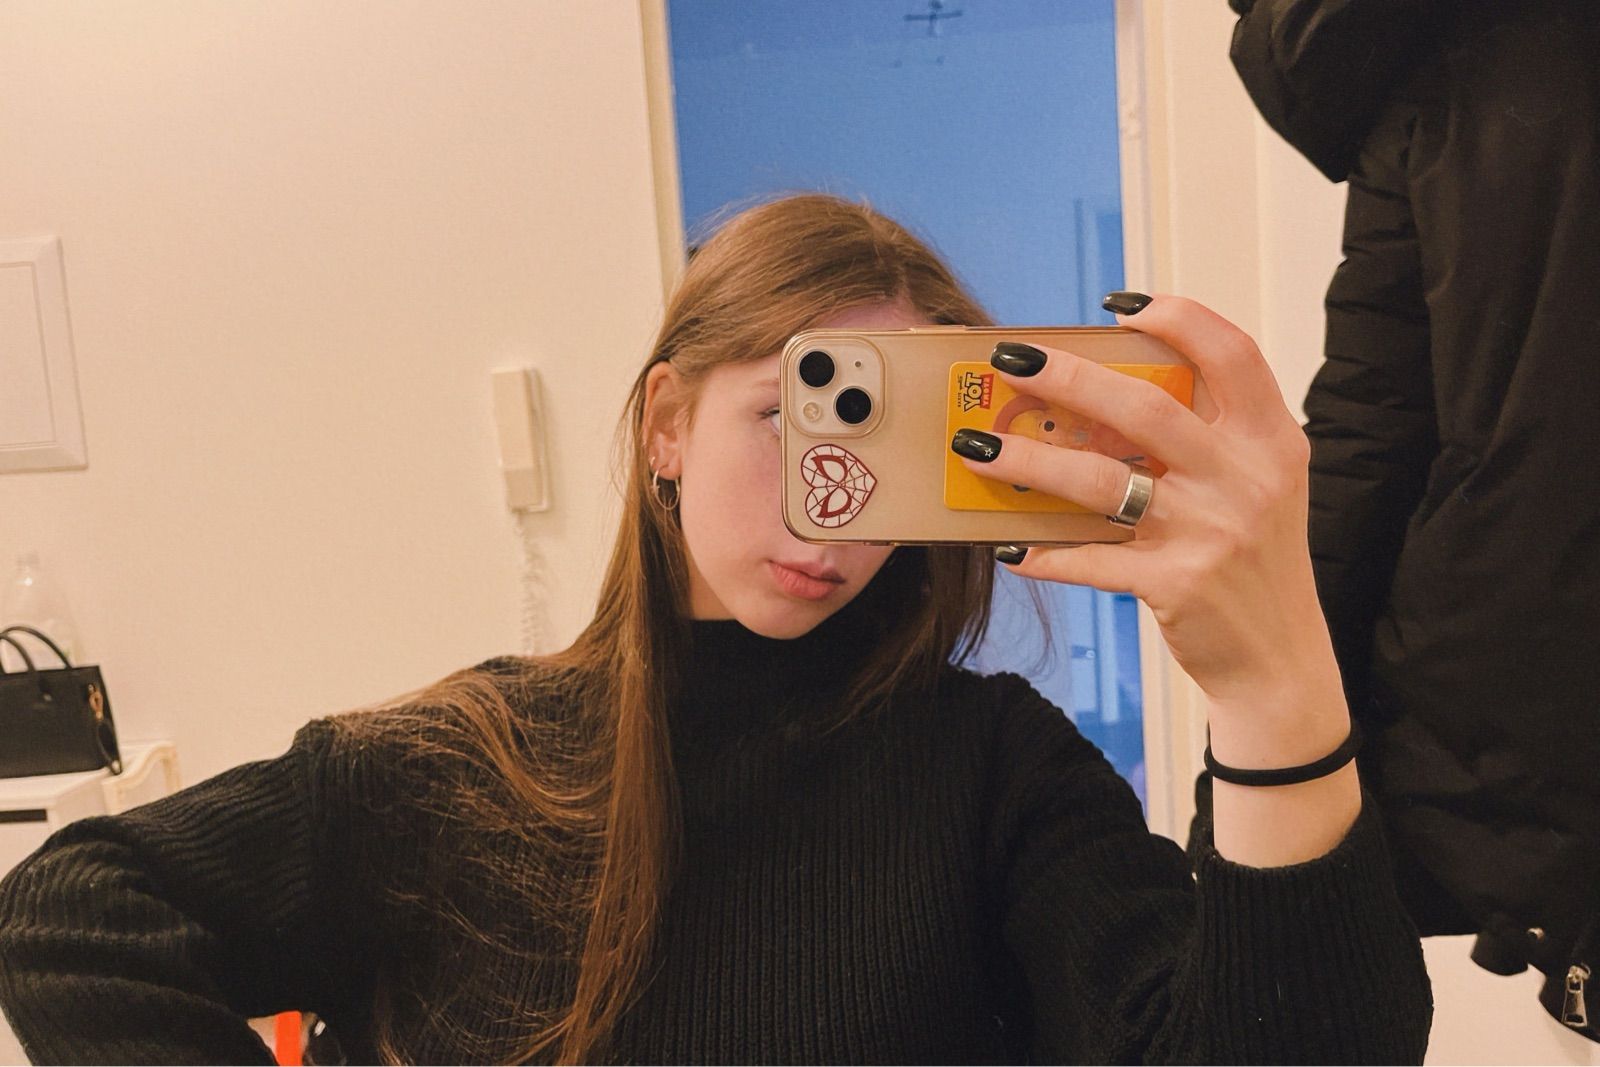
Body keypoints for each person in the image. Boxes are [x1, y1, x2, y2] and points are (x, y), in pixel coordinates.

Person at [0, 195, 1432, 1064]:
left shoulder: (996, 770)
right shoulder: (462, 764)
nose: (832, 509)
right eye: (793, 415)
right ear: (668, 426)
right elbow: (73, 914)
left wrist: (1278, 690)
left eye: (887, 453)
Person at [1226, 0, 1600, 1036]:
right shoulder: (1440, 54)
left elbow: (1369, 433)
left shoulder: (1445, 57)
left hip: (1519, 712)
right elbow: (1373, 431)